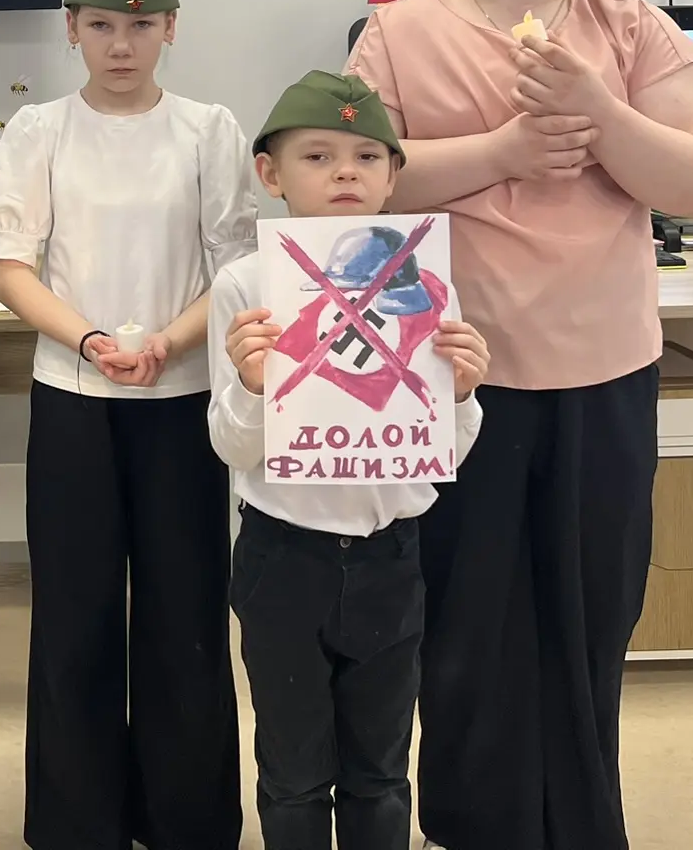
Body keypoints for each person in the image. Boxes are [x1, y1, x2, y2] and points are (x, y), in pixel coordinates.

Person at [346, 0, 693, 850]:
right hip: (455, 377)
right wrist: (504, 152)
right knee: (464, 630)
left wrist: (600, 110)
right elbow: (355, 186)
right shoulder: (398, 35)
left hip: (604, 375)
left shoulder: (633, 30)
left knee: (590, 622)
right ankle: (475, 827)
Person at [0, 0, 254, 850]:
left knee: (186, 612)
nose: (121, 45)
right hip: (73, 395)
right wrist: (92, 340)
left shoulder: (209, 131)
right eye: (101, 25)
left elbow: (236, 268)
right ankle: (78, 821)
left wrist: (169, 341)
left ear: (171, 27)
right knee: (75, 613)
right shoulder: (40, 131)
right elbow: (11, 267)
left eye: (141, 26)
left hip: (181, 400)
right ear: (72, 29)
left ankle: (187, 819)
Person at [207, 71, 489, 850]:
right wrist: (255, 387)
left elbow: (445, 453)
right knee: (293, 769)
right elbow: (230, 445)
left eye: (367, 157)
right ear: (270, 173)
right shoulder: (245, 285)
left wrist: (461, 394)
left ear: (394, 175)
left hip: (391, 557)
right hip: (282, 554)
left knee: (382, 768)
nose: (345, 172)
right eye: (318, 156)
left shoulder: (427, 281)